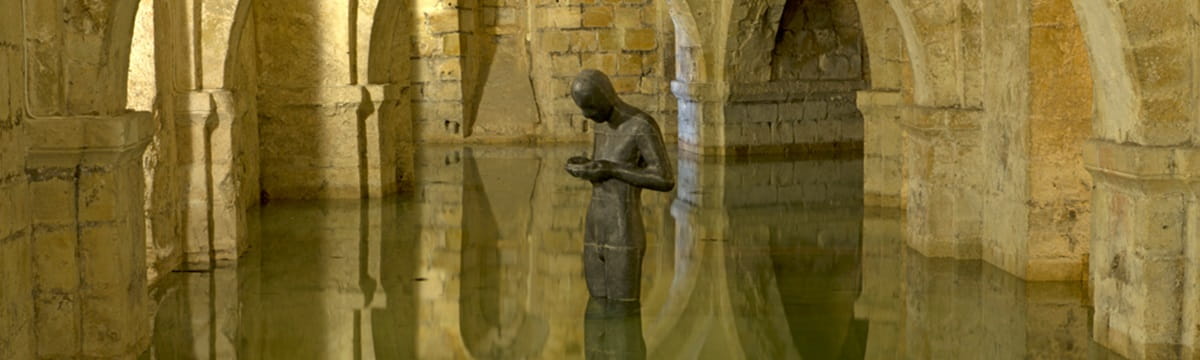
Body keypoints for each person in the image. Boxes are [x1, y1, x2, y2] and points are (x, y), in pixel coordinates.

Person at [565, 69, 674, 301]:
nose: (586, 115)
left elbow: (664, 178)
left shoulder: (641, 125)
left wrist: (611, 169)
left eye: (590, 108)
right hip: (595, 226)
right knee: (596, 311)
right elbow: (603, 166)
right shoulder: (601, 124)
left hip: (623, 230)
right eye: (582, 108)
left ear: (607, 97)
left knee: (622, 311)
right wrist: (588, 167)